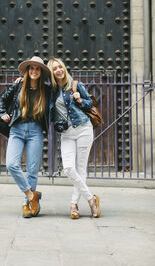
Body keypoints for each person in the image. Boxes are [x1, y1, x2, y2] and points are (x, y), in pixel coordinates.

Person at [0, 56, 51, 218]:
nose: (34, 71)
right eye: (31, 68)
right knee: (12, 164)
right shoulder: (18, 86)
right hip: (17, 129)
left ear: (41, 72)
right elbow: (2, 99)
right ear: (27, 70)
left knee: (33, 169)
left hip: (35, 131)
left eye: (37, 69)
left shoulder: (46, 90)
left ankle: (27, 204)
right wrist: (3, 113)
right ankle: (31, 195)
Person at [47, 58, 101, 219]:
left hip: (84, 129)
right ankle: (92, 200)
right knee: (69, 169)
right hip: (67, 134)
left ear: (64, 68)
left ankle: (73, 204)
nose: (58, 70)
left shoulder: (76, 84)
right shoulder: (53, 91)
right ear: (52, 73)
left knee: (81, 168)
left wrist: (79, 99)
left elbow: (90, 104)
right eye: (54, 68)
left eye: (60, 67)